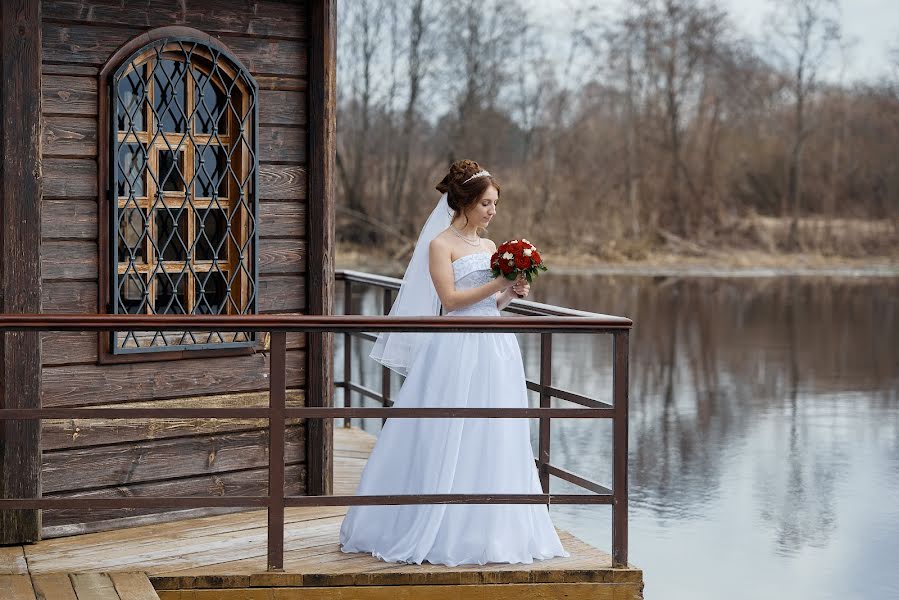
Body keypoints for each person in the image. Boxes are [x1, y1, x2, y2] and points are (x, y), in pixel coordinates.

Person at [338, 159, 570, 566]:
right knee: (448, 428)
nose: (492, 211)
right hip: (455, 348)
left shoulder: (490, 247)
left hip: (495, 348)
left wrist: (514, 292)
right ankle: (437, 522)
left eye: (495, 203)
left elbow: (490, 303)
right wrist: (498, 282)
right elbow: (449, 301)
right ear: (464, 203)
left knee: (493, 430)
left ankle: (489, 527)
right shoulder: (440, 245)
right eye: (486, 204)